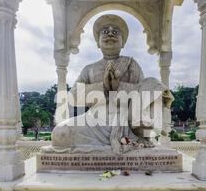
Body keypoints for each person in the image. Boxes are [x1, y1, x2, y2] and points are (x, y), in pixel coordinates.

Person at [49, 14, 173, 154]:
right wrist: (104, 87)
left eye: (115, 32)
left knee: (152, 83)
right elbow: (74, 96)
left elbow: (143, 94)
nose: (110, 34)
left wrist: (119, 86)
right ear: (98, 42)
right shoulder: (89, 69)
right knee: (59, 134)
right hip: (93, 122)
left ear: (123, 42)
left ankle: (134, 138)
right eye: (105, 32)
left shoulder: (131, 65)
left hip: (126, 122)